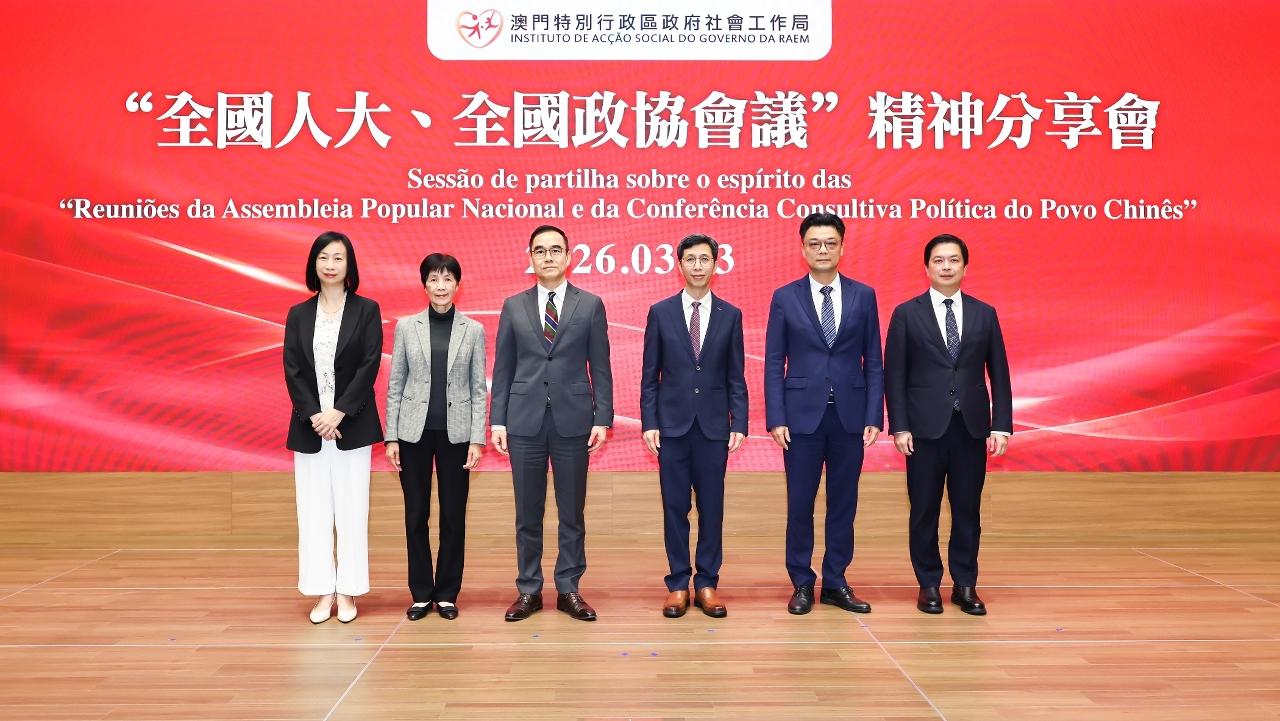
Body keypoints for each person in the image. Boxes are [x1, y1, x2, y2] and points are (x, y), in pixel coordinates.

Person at [490, 225, 613, 622]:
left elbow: (601, 366)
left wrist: (603, 417)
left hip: (574, 421)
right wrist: (497, 421)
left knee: (571, 511)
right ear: (530, 258)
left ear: (569, 257)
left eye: (555, 250)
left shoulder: (590, 304)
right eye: (540, 250)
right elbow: (503, 367)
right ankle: (528, 590)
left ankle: (568, 589)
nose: (548, 257)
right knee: (527, 512)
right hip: (523, 421)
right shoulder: (513, 306)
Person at [884, 234, 1012, 616]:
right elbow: (895, 375)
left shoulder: (984, 313)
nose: (946, 266)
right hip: (923, 430)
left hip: (971, 428)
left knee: (967, 510)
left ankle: (965, 584)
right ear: (926, 267)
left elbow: (999, 372)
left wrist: (1001, 425)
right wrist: (899, 426)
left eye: (953, 260)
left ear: (965, 267)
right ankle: (928, 584)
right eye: (938, 260)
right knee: (924, 509)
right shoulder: (906, 313)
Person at [764, 212, 884, 616]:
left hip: (850, 416)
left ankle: (835, 581)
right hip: (800, 418)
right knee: (800, 503)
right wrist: (776, 417)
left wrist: (874, 414)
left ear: (842, 247)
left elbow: (874, 360)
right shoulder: (785, 296)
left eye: (830, 242)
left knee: (843, 504)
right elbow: (774, 361)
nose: (822, 250)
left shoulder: (863, 295)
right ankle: (801, 581)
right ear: (802, 249)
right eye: (814, 243)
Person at [640, 234, 748, 619]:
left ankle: (706, 582)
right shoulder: (661, 312)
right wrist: (649, 421)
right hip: (671, 426)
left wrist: (740, 420)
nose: (698, 265)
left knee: (711, 507)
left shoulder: (730, 314)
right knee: (675, 507)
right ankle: (677, 584)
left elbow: (736, 374)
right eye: (691, 259)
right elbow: (650, 374)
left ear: (716, 264)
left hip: (714, 426)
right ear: (680, 265)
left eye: (705, 259)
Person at [282, 231, 383, 624]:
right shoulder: (298, 313)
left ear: (349, 264)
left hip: (351, 424)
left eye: (338, 258)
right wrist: (315, 415)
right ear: (314, 263)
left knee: (353, 511)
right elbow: (292, 369)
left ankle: (349, 590)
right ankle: (323, 589)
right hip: (310, 426)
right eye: (323, 257)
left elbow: (369, 365)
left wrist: (339, 412)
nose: (330, 264)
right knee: (313, 512)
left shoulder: (367, 309)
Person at [384, 254, 487, 621]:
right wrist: (391, 436)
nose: (441, 286)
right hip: (412, 434)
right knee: (416, 514)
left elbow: (478, 388)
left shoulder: (473, 330)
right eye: (434, 279)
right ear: (424, 284)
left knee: (453, 516)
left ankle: (446, 594)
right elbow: (396, 383)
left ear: (458, 284)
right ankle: (420, 593)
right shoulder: (406, 327)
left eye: (447, 279)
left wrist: (477, 439)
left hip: (456, 435)